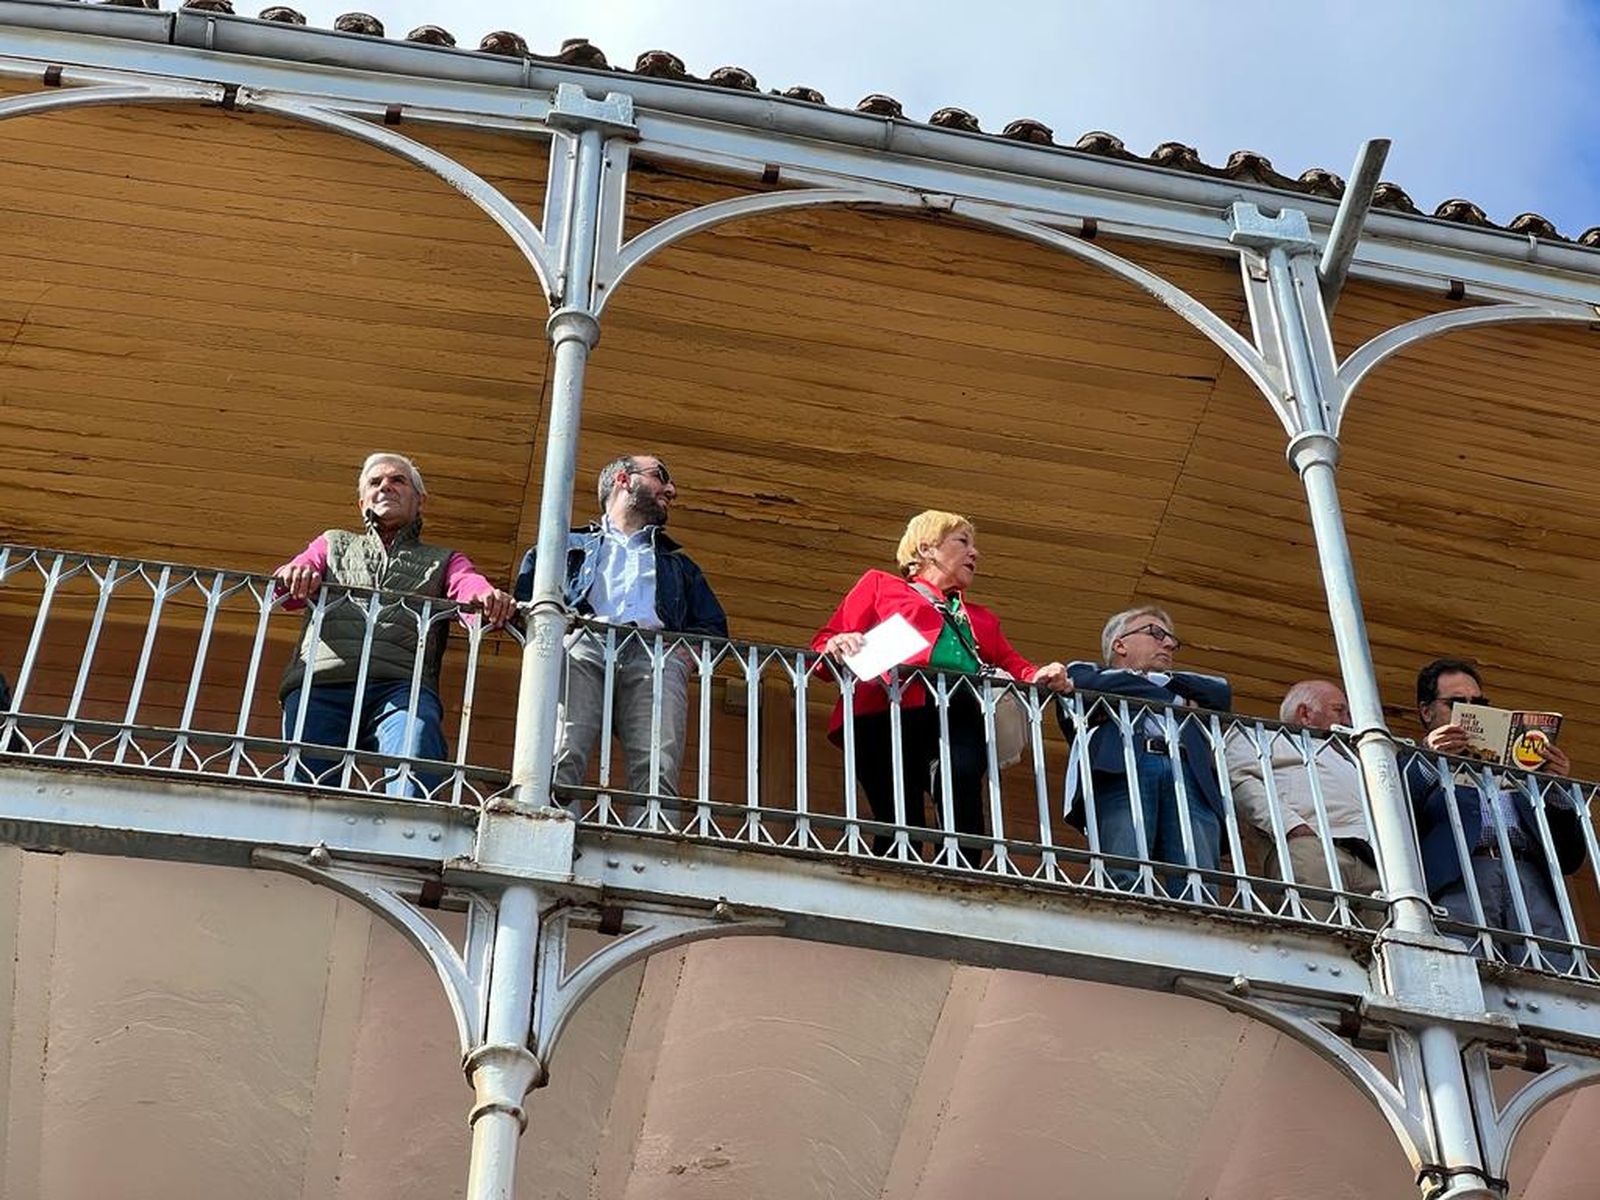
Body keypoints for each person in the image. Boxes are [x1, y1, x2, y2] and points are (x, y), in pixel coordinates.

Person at [813, 510, 1069, 856]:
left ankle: (964, 880)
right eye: (962, 542)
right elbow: (825, 647)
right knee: (899, 817)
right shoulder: (879, 585)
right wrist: (837, 644)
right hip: (883, 711)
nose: (974, 553)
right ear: (927, 548)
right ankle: (896, 883)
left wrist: (1042, 674)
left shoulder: (979, 618)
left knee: (961, 791)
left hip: (957, 711)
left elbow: (1015, 665)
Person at [275, 452, 515, 795]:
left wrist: (486, 598)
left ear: (420, 501)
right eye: (376, 482)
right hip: (322, 681)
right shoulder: (333, 543)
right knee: (307, 787)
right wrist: (295, 574)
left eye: (398, 480)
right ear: (362, 502)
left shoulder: (442, 559)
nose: (386, 486)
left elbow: (468, 587)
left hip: (400, 685)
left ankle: (411, 833)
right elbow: (290, 587)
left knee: (416, 743)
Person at [514, 453, 727, 809]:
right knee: (562, 753)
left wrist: (681, 659)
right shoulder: (564, 547)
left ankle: (650, 851)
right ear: (624, 480)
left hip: (655, 653)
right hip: (583, 640)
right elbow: (528, 602)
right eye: (661, 476)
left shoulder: (679, 564)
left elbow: (715, 630)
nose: (671, 489)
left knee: (657, 766)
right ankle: (547, 830)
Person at [1406, 657, 1586, 958]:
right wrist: (1429, 757)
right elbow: (1397, 811)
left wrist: (1554, 788)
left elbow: (1569, 857)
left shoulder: (1518, 767)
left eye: (1478, 703)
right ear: (1426, 711)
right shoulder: (1411, 761)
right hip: (1462, 876)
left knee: (1551, 970)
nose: (1470, 711)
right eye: (1456, 703)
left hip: (1530, 877)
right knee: (1469, 968)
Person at [1060, 606, 1231, 891]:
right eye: (1156, 633)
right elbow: (1082, 682)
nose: (1167, 644)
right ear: (1120, 644)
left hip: (1189, 774)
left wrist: (1152, 685)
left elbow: (1221, 692)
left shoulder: (1184, 683)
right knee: (1126, 870)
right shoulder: (1085, 672)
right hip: (1124, 770)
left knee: (1198, 881)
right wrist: (1177, 699)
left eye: (1171, 641)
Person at [1225, 680, 1380, 906]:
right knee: (1320, 934)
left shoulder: (1350, 758)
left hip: (1369, 859)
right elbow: (1241, 782)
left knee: (1382, 938)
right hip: (1312, 847)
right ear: (1305, 713)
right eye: (1339, 711)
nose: (1347, 721)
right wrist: (1292, 828)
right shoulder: (1261, 738)